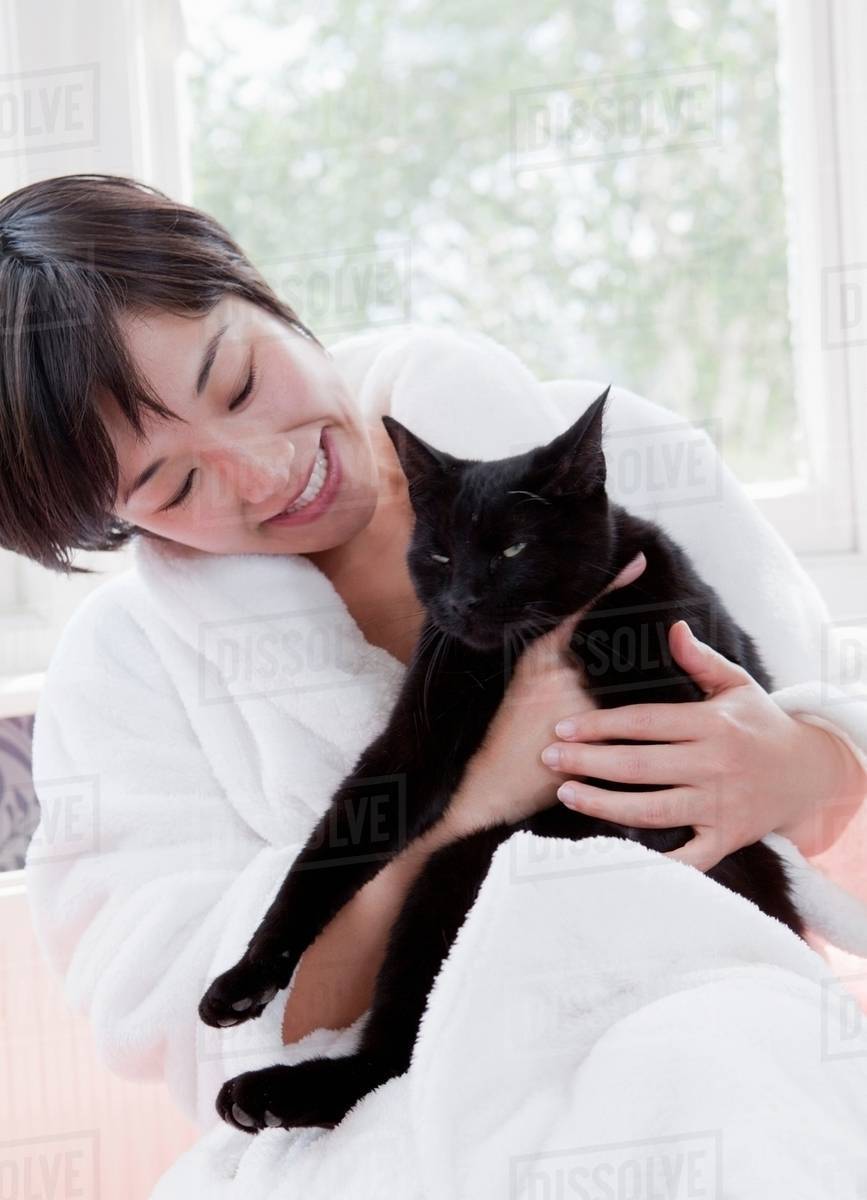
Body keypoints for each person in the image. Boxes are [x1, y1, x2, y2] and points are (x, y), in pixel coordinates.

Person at [4, 174, 867, 1191]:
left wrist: (802, 765)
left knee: (726, 1078)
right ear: (118, 523)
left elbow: (826, 810)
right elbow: (223, 1028)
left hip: (704, 1015)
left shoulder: (612, 455)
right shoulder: (128, 673)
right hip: (391, 1106)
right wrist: (484, 793)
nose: (263, 470)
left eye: (238, 384)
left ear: (254, 288)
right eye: (175, 485)